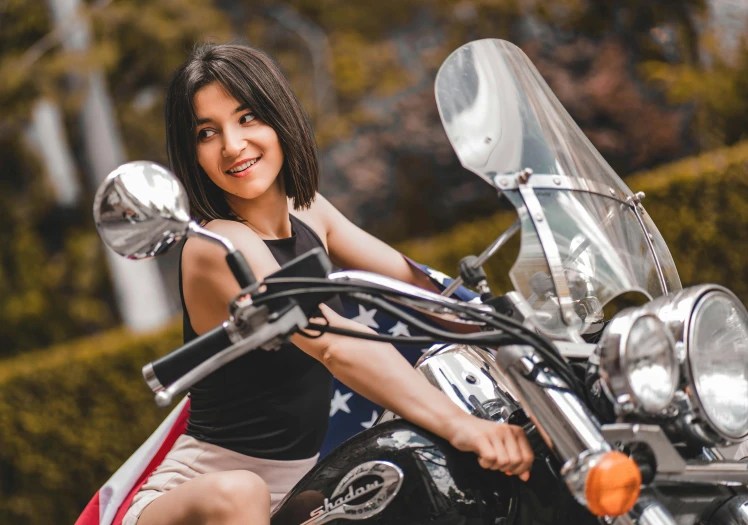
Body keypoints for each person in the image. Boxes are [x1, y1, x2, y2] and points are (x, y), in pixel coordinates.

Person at [124, 42, 534, 525]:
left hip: (294, 492)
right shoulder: (219, 246)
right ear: (192, 155)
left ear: (281, 118)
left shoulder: (309, 210)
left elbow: (417, 290)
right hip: (201, 497)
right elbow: (333, 343)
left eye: (248, 117)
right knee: (240, 493)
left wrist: (529, 335)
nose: (232, 145)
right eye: (207, 133)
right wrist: (461, 426)